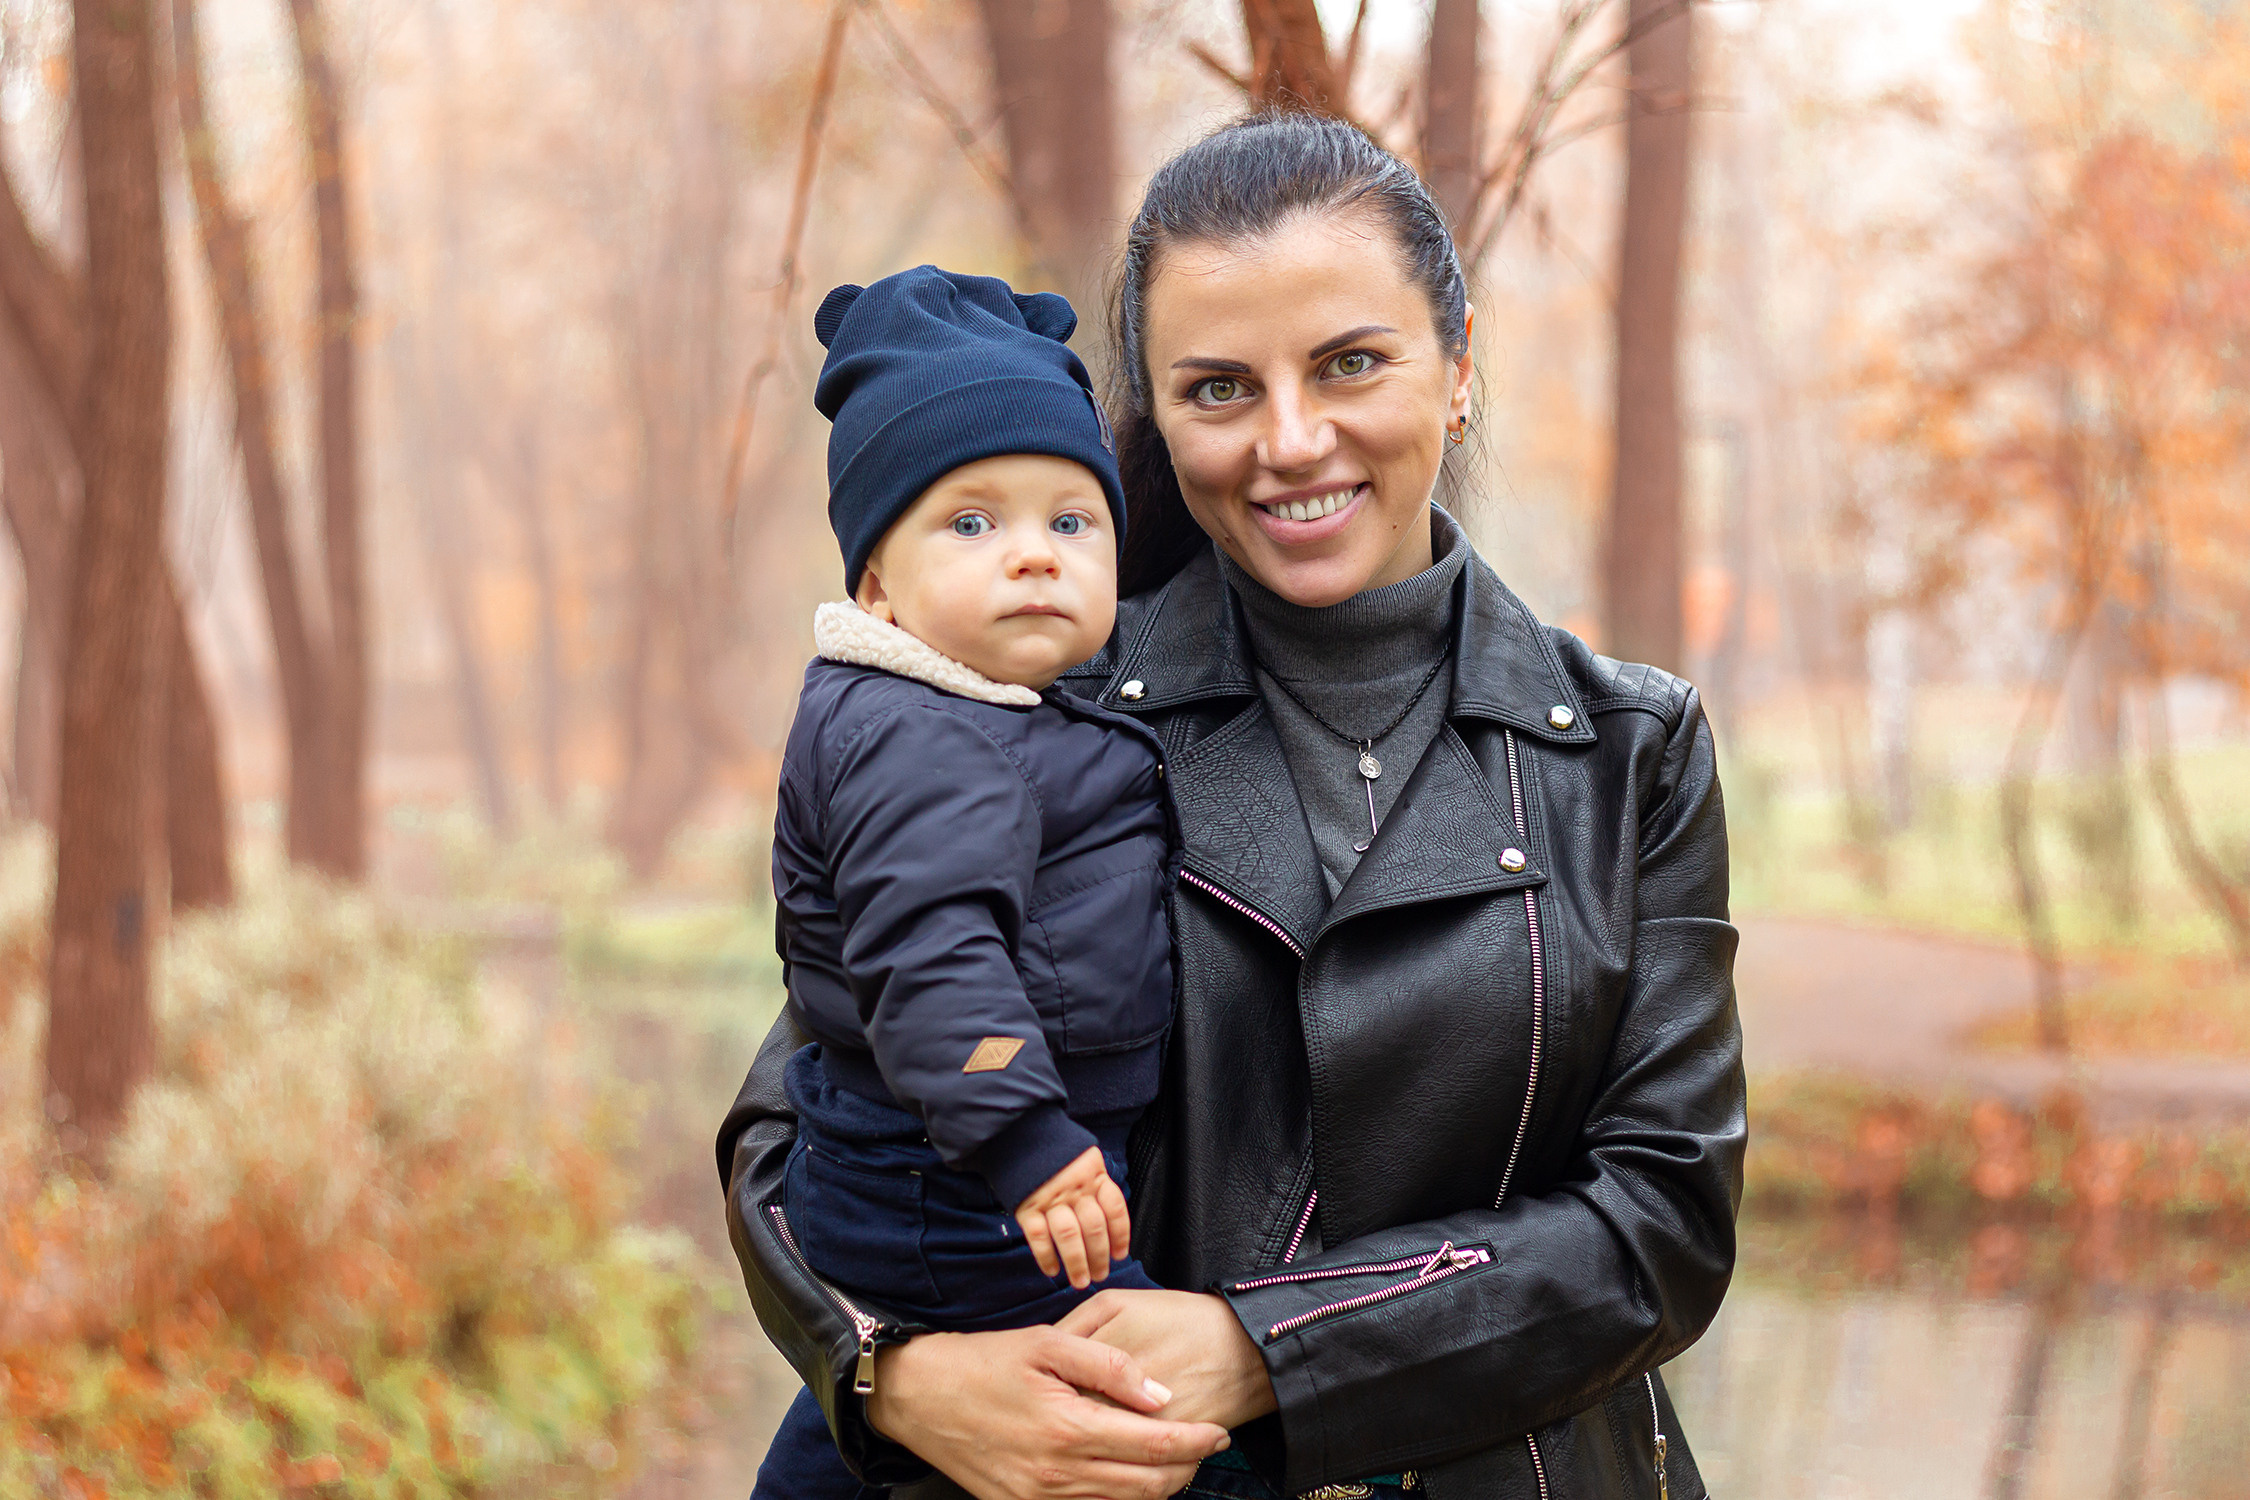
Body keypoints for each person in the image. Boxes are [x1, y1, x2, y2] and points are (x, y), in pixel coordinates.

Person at [720, 113, 1744, 1500]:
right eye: (1219, 389)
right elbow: (807, 1111)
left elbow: (1664, 1223)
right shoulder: (1029, 706)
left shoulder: (1628, 750)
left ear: (1456, 369)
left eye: (1350, 363)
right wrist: (894, 1378)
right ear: (1154, 420)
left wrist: (1267, 1351)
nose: (1292, 439)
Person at [748, 266, 1209, 1500]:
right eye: (971, 524)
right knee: (1141, 1411)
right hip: (968, 1180)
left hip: (971, 1167)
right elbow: (930, 960)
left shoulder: (995, 716)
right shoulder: (920, 737)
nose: (1033, 558)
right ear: (877, 585)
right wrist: (1029, 1142)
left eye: (1073, 524)